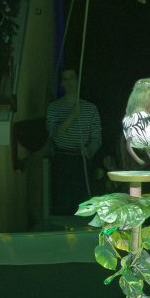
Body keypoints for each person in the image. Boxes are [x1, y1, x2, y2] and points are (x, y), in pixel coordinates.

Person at [44, 68, 101, 216]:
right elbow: (53, 135)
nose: (69, 82)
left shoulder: (91, 108)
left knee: (82, 203)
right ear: (62, 83)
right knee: (62, 202)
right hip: (61, 159)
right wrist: (71, 116)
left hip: (82, 159)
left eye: (72, 78)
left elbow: (96, 137)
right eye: (65, 79)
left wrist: (89, 151)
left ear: (78, 81)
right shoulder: (53, 108)